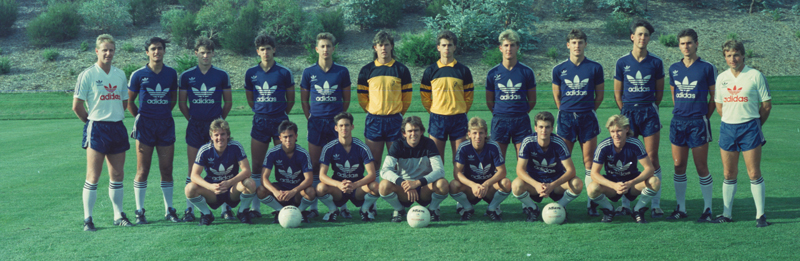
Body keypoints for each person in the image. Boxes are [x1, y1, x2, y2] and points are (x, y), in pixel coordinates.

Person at [74, 34, 133, 231]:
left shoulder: (120, 74)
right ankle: (88, 219)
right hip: (96, 128)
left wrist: (111, 115)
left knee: (117, 174)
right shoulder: (87, 74)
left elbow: (124, 102)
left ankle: (118, 215)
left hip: (116, 127)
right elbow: (77, 106)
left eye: (111, 50)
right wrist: (90, 121)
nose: (108, 53)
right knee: (93, 176)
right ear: (97, 51)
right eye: (104, 50)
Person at [712, 40, 771, 227]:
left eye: (736, 54)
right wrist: (732, 118)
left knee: (753, 173)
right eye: (728, 55)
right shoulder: (721, 78)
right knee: (729, 173)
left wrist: (755, 124)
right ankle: (726, 214)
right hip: (728, 128)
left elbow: (766, 106)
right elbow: (719, 107)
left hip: (750, 128)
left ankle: (760, 215)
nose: (732, 59)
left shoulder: (755, 75)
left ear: (743, 55)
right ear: (724, 57)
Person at [613, 19, 665, 218]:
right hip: (628, 113)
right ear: (632, 37)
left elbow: (659, 94)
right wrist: (626, 112)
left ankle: (655, 204)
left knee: (652, 158)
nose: (643, 38)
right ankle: (626, 203)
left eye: (646, 35)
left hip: (649, 113)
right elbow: (618, 94)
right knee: (628, 158)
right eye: (639, 34)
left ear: (649, 38)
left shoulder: (656, 62)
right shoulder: (622, 62)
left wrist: (649, 107)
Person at [127, 37, 181, 224]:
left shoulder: (171, 74)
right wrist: (140, 117)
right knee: (143, 169)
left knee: (166, 169)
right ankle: (139, 211)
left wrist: (162, 113)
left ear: (164, 51)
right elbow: (130, 102)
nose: (156, 52)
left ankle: (169, 210)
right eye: (153, 49)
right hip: (145, 126)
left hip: (165, 124)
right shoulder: (138, 74)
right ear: (147, 52)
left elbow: (173, 99)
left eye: (160, 48)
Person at [551, 29, 605, 217]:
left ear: (585, 44)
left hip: (587, 117)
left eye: (580, 42)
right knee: (563, 161)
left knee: (589, 161)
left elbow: (599, 96)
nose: (577, 46)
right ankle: (561, 201)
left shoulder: (595, 67)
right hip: (566, 118)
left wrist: (586, 110)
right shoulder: (559, 69)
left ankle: (591, 203)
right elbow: (557, 96)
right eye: (573, 42)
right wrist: (566, 110)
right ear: (568, 45)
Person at [178, 36, 232, 221]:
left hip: (215, 126)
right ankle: (189, 210)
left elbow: (228, 102)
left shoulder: (221, 75)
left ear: (213, 54)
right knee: (193, 168)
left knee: (221, 168)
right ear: (196, 53)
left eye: (209, 52)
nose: (206, 56)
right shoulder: (186, 76)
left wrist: (219, 122)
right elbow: (182, 104)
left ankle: (226, 208)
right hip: (195, 126)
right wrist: (193, 119)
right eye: (202, 52)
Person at [666, 29, 717, 222]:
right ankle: (681, 208)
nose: (685, 47)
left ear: (696, 44)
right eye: (682, 43)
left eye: (689, 43)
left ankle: (708, 209)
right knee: (679, 166)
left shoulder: (707, 67)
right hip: (678, 121)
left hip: (698, 122)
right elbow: (674, 95)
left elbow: (714, 97)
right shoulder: (674, 68)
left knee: (701, 166)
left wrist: (704, 116)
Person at [244, 33, 295, 218]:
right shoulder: (251, 73)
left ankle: (282, 204)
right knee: (257, 165)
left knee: (281, 163)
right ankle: (255, 207)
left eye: (268, 49)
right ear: (258, 51)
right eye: (262, 49)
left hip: (280, 121)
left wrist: (278, 113)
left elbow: (291, 100)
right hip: (260, 120)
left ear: (274, 49)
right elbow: (251, 100)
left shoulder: (284, 72)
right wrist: (262, 111)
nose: (265, 52)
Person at [301, 32, 351, 218]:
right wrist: (311, 118)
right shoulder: (309, 72)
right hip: (316, 123)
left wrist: (338, 121)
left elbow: (346, 100)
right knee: (315, 164)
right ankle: (313, 206)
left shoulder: (342, 71)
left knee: (339, 163)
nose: (325, 49)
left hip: (335, 125)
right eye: (322, 46)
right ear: (316, 49)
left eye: (328, 46)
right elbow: (304, 101)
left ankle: (343, 205)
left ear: (333, 49)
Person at [357, 30, 413, 177]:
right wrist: (372, 110)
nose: (383, 48)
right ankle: (373, 198)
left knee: (397, 162)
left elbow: (406, 98)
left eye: (386, 45)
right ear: (375, 47)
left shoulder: (401, 69)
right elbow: (362, 98)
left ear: (392, 46)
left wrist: (399, 113)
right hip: (374, 120)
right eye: (380, 45)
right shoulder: (366, 70)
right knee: (373, 162)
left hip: (394, 120)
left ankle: (397, 197)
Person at [588, 115, 661, 223]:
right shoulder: (603, 146)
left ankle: (637, 210)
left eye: (619, 131)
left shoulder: (635, 143)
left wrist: (630, 183)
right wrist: (613, 185)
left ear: (626, 129)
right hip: (612, 186)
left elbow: (649, 169)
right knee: (592, 188)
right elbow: (594, 174)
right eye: (612, 131)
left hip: (632, 185)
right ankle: (609, 210)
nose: (615, 135)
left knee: (654, 181)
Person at [420, 30, 474, 176]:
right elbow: (425, 96)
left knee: (460, 161)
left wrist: (460, 109)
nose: (446, 48)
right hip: (437, 118)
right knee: (436, 161)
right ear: (438, 47)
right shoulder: (430, 70)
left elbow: (469, 96)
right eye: (443, 45)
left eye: (450, 45)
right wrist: (434, 110)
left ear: (454, 47)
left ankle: (460, 196)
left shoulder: (463, 70)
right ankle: (436, 196)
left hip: (458, 118)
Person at [512, 112, 582, 222]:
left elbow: (571, 171)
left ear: (552, 129)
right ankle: (533, 209)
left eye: (547, 127)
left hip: (555, 181)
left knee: (577, 183)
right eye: (541, 127)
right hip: (535, 182)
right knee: (516, 185)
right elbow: (520, 170)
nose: (543, 131)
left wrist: (552, 185)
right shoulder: (527, 142)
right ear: (535, 128)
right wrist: (536, 185)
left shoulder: (559, 143)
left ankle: (560, 207)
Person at [184, 119, 256, 225]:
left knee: (250, 183)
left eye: (223, 134)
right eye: (216, 135)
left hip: (232, 189)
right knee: (189, 189)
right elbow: (194, 175)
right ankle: (206, 214)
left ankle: (242, 212)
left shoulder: (235, 146)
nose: (219, 138)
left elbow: (247, 171)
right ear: (211, 137)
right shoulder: (204, 150)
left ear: (228, 135)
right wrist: (210, 186)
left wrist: (229, 182)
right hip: (213, 191)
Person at [379, 116, 449, 222]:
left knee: (443, 184)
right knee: (383, 185)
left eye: (416, 130)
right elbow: (385, 170)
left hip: (424, 188)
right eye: (409, 131)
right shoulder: (397, 145)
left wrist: (417, 183)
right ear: (404, 133)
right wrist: (404, 183)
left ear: (421, 131)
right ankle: (399, 209)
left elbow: (439, 171)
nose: (413, 134)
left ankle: (432, 209)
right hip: (405, 190)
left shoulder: (429, 144)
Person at [316, 112, 380, 222]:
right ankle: (333, 209)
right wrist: (339, 184)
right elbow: (322, 175)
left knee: (377, 187)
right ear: (336, 128)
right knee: (320, 188)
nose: (344, 128)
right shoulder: (329, 148)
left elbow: (372, 174)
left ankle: (364, 209)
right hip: (338, 189)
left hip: (358, 187)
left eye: (347, 125)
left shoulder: (362, 147)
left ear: (352, 127)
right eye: (341, 125)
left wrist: (355, 184)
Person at [486, 29, 536, 159]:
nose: (509, 49)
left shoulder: (527, 72)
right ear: (500, 48)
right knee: (497, 160)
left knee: (524, 159)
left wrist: (519, 111)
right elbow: (489, 101)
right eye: (506, 45)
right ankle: (499, 180)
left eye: (512, 45)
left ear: (517, 48)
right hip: (500, 120)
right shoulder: (493, 73)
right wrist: (501, 111)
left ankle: (523, 180)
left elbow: (532, 100)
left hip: (521, 120)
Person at [449, 116, 511, 221]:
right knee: (453, 185)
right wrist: (473, 185)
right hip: (470, 189)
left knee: (506, 183)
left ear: (486, 134)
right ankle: (467, 208)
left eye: (481, 133)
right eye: (474, 133)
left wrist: (486, 184)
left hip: (489, 187)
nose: (478, 136)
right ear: (469, 134)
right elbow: (457, 173)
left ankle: (492, 208)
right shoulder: (463, 147)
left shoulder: (493, 146)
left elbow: (502, 171)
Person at [256, 120, 316, 223]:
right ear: (280, 138)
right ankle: (280, 210)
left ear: (296, 136)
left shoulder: (303, 154)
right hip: (281, 193)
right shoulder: (273, 152)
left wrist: (294, 191)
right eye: (285, 137)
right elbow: (264, 178)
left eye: (291, 136)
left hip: (297, 193)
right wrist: (275, 191)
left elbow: (309, 179)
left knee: (310, 191)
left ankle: (300, 211)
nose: (288, 140)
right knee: (261, 190)